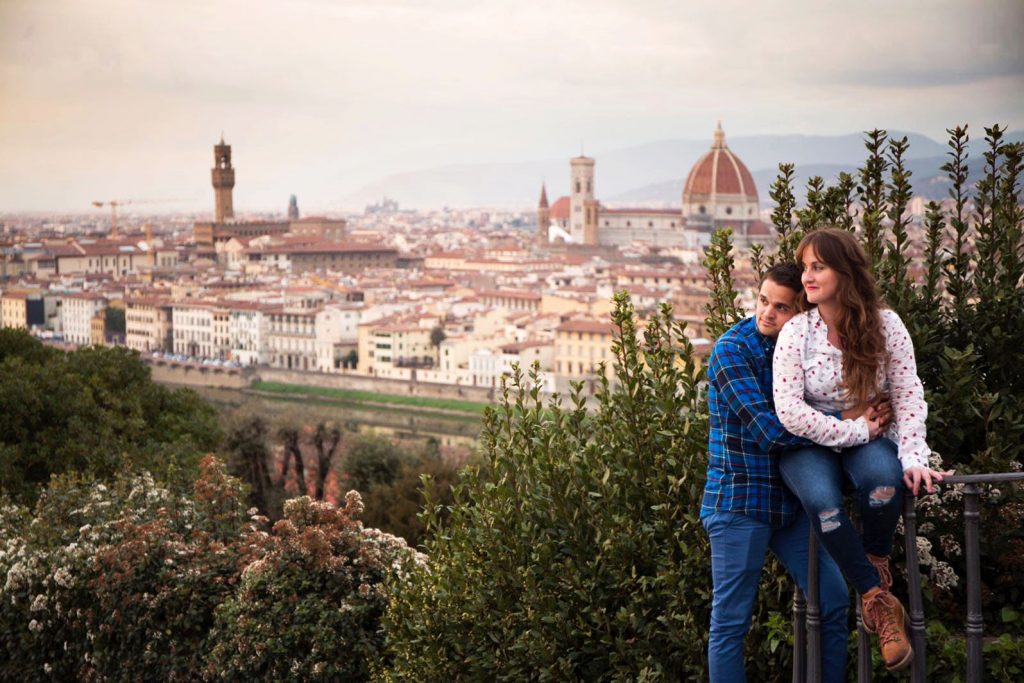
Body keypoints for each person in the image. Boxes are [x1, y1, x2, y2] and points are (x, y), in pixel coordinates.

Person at [773, 228, 951, 672]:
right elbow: (791, 412)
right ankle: (877, 598)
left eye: (819, 267)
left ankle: (874, 558)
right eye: (805, 267)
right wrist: (855, 428)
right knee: (823, 503)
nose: (807, 277)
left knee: (884, 484)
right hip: (810, 443)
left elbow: (908, 394)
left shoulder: (886, 326)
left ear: (845, 272)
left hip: (868, 438)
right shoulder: (797, 332)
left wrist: (913, 458)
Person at [701, 263, 885, 683]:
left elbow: (820, 409)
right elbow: (770, 432)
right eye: (763, 301)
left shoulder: (805, 347)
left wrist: (846, 416)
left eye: (780, 307)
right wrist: (851, 426)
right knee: (731, 622)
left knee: (835, 598)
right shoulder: (732, 350)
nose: (766, 313)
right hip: (739, 501)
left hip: (789, 502)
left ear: (803, 311)